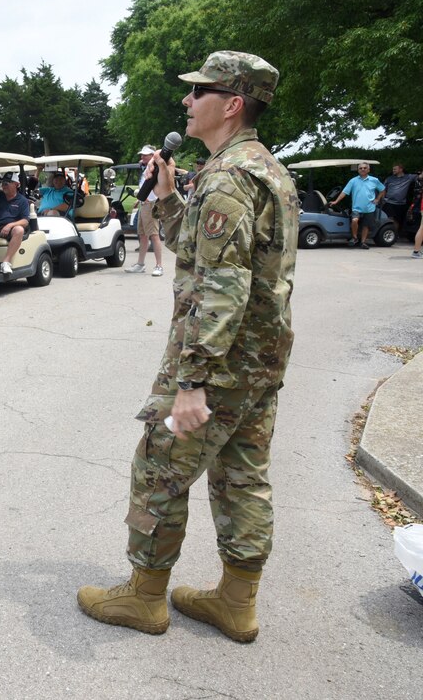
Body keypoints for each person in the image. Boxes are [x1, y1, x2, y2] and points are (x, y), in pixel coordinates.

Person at [77, 51, 300, 643]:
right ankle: (237, 601)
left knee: (158, 470)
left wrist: (192, 380)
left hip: (219, 365)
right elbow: (201, 253)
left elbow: (223, 286)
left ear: (231, 105)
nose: (186, 100)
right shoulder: (261, 169)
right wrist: (171, 196)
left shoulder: (228, 178)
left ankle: (145, 597)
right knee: (242, 475)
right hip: (257, 362)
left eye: (199, 92)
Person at [127, 145, 165, 276]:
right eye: (141, 155)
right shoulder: (146, 168)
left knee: (154, 235)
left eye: (145, 155)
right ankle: (140, 264)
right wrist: (140, 199)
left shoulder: (156, 168)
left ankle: (159, 266)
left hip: (151, 204)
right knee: (143, 235)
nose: (142, 157)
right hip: (144, 203)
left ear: (152, 156)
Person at [0, 172, 30, 274]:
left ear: (16, 184)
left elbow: (25, 221)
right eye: (3, 183)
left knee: (19, 229)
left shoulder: (22, 201)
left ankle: (6, 262)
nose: (4, 185)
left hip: (10, 230)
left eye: (7, 183)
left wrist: (10, 225)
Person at [327, 163, 384, 249]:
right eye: (360, 168)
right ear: (358, 170)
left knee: (366, 225)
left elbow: (383, 190)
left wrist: (377, 199)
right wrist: (336, 201)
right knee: (354, 220)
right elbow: (344, 192)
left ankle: (363, 242)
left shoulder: (374, 180)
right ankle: (355, 237)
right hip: (356, 207)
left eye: (365, 168)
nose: (363, 169)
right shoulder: (353, 181)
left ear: (368, 170)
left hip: (370, 208)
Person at [380, 164, 415, 239]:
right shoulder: (389, 178)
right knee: (389, 219)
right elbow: (383, 189)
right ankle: (388, 234)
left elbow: (419, 177)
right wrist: (383, 199)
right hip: (389, 202)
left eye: (395, 169)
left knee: (397, 220)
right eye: (393, 169)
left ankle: (394, 235)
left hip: (401, 203)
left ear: (401, 169)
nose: (393, 171)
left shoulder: (408, 177)